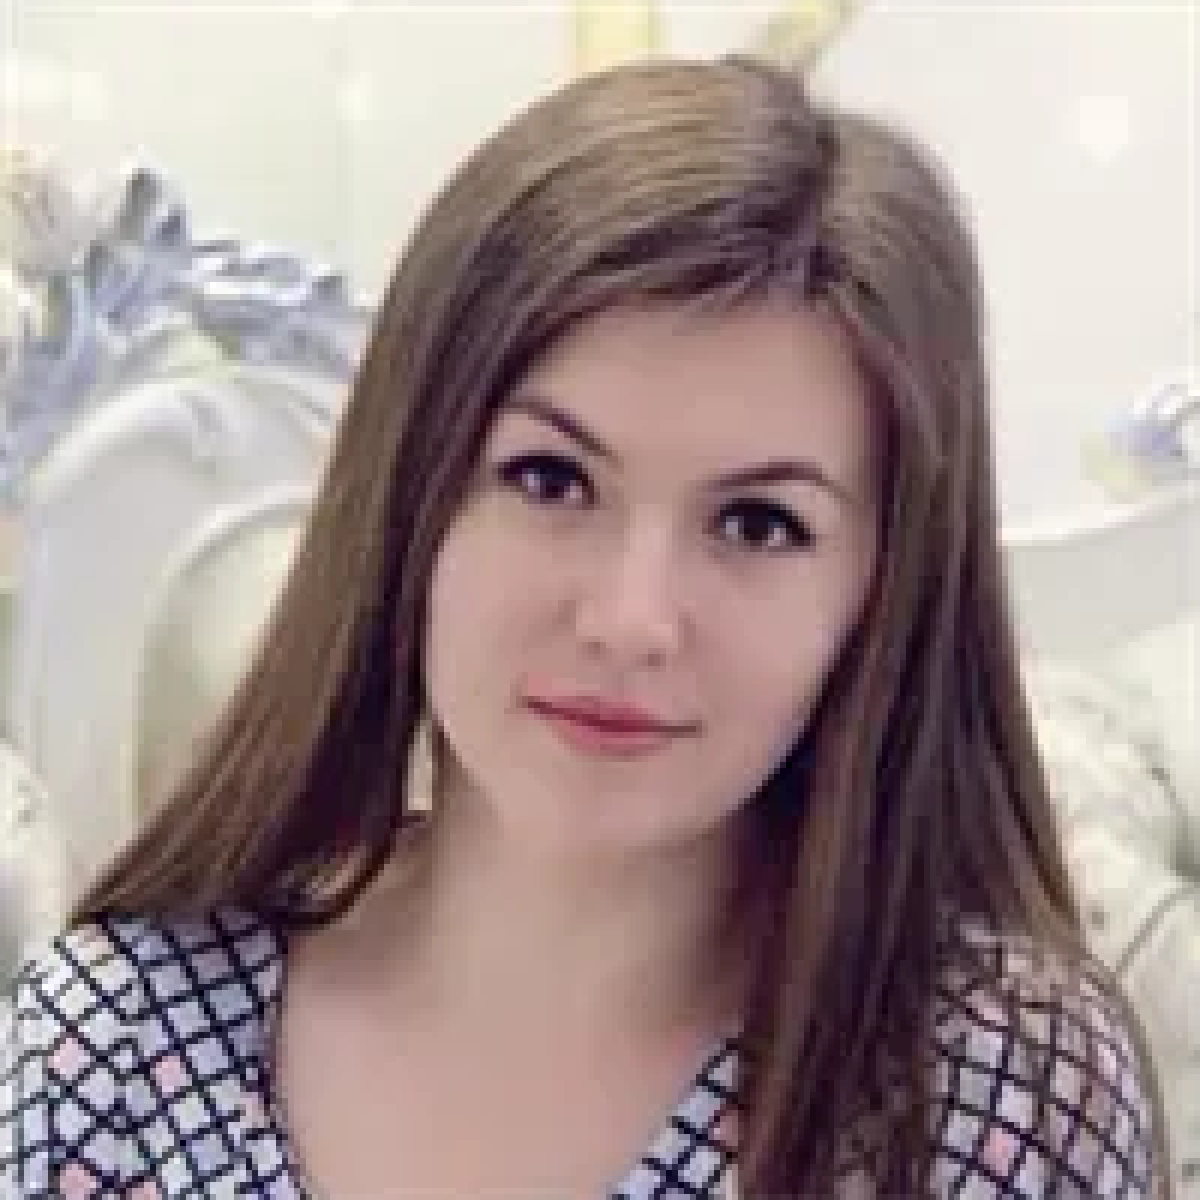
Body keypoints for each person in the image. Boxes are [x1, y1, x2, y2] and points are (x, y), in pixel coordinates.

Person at [0, 55, 1169, 1199]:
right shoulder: (109, 1057)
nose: (630, 619)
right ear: (410, 495)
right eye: (550, 480)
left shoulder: (989, 1098)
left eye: (758, 525)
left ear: (882, 589)